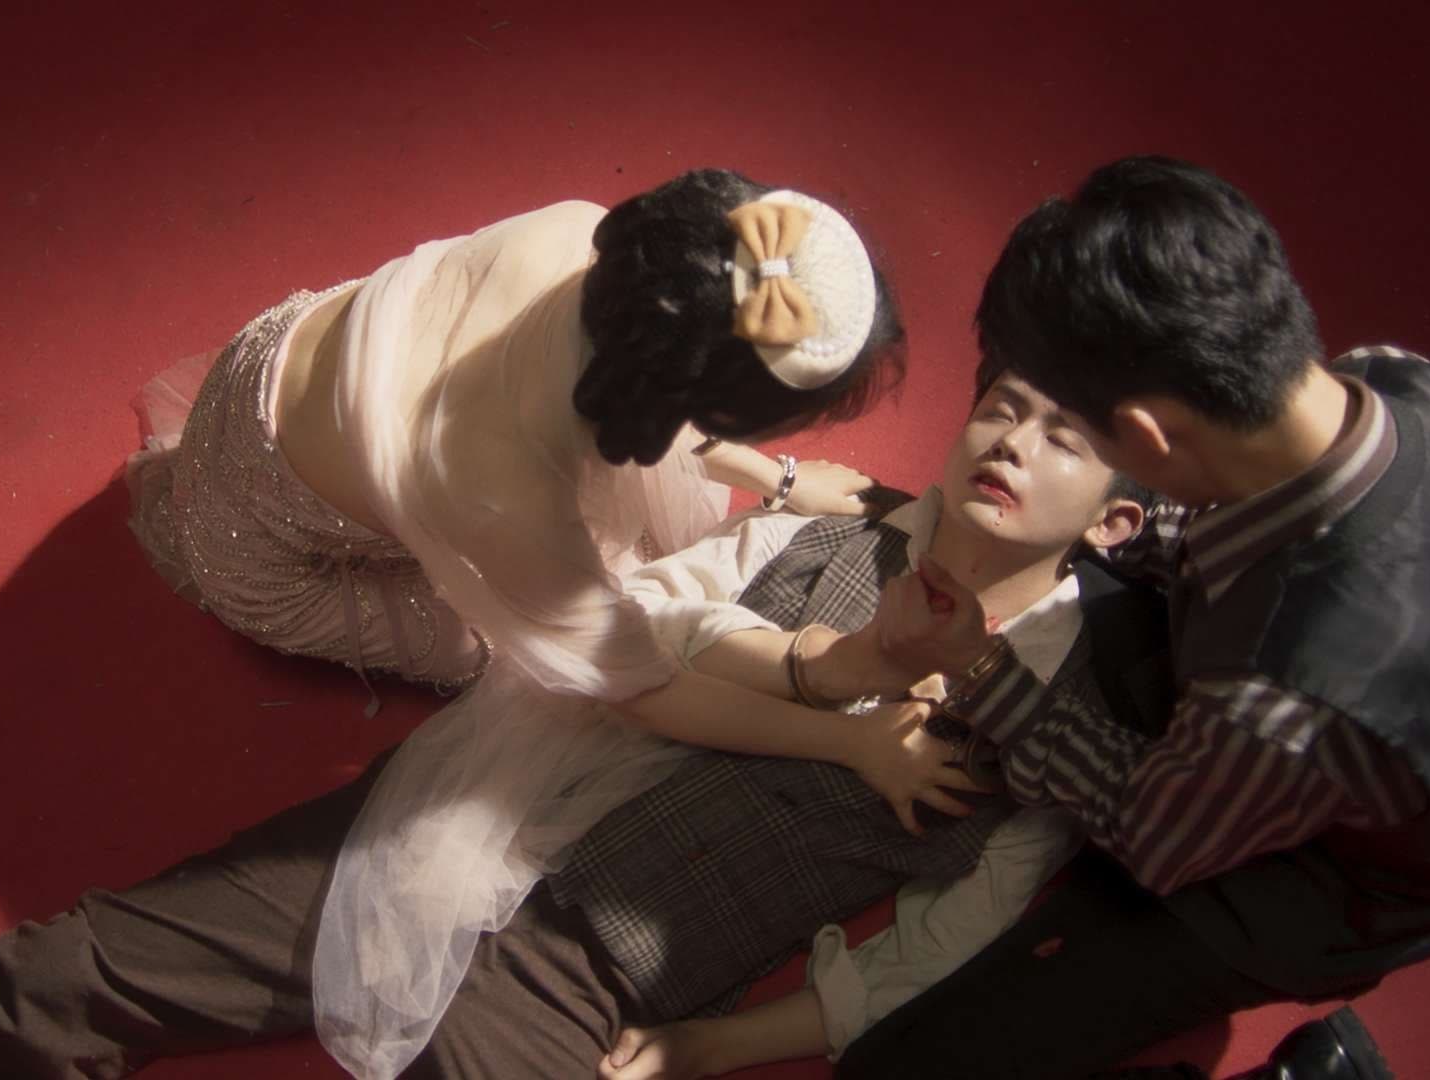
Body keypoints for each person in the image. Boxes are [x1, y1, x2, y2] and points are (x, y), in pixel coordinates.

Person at [0, 370, 1153, 1080]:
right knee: (100, 963)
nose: (1011, 441)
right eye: (1004, 405)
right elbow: (642, 628)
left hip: (594, 973)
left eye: (1064, 435)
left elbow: (938, 947)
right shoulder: (837, 530)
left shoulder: (1065, 732)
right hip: (483, 812)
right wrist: (843, 673)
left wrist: (709, 1047)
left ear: (1117, 519)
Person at [120, 168, 906, 1076]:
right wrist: (852, 742)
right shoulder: (503, 487)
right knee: (529, 659)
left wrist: (778, 478)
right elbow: (638, 688)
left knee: (613, 555)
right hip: (275, 555)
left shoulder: (592, 239)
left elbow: (664, 382)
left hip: (278, 361)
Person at [841, 156, 1430, 1080]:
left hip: (1348, 879)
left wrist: (980, 668)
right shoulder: (1405, 379)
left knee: (903, 1068)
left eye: (1073, 432)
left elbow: (1155, 834)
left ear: (1145, 439)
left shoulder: (1292, 691)